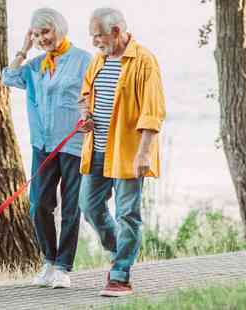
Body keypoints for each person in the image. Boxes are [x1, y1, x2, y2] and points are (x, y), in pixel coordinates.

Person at [77, 7, 166, 297]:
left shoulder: (144, 61)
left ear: (116, 31)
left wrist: (144, 153)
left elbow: (152, 112)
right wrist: (85, 115)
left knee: (128, 213)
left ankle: (120, 275)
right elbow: (86, 94)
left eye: (98, 36)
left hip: (128, 151)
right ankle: (120, 250)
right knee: (89, 207)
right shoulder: (98, 60)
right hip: (98, 149)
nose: (94, 43)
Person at [1, 7, 91, 289]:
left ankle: (64, 267)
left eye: (46, 32)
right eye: (37, 34)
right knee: (39, 204)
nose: (42, 38)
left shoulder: (83, 60)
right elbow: (9, 78)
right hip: (43, 145)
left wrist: (90, 117)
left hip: (74, 144)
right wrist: (24, 49)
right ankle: (49, 262)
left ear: (59, 29)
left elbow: (98, 95)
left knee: (71, 208)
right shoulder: (36, 64)